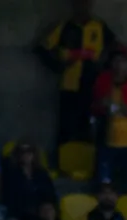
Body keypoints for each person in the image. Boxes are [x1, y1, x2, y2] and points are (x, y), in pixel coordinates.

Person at [36, 0, 116, 144]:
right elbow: (42, 47)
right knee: (66, 128)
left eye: (87, 3)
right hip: (70, 85)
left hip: (94, 86)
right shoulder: (65, 27)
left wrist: (104, 67)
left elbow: (114, 49)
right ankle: (63, 162)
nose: (83, 7)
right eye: (79, 3)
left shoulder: (98, 26)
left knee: (91, 128)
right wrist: (58, 65)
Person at [91, 45, 127, 192]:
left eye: (122, 61)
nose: (118, 65)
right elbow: (93, 110)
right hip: (107, 144)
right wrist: (101, 105)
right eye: (116, 61)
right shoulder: (102, 83)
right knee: (105, 186)